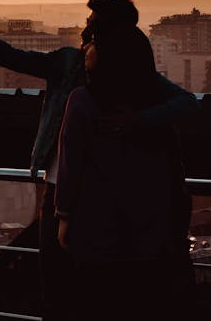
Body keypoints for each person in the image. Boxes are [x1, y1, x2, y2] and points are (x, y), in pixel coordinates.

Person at [0, 0, 198, 321]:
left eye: (93, 20)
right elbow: (186, 103)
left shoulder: (79, 69)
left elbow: (9, 57)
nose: (87, 26)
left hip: (69, 197)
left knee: (65, 285)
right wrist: (138, 120)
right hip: (93, 198)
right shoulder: (126, 73)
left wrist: (136, 121)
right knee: (87, 287)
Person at [55, 26, 193, 320]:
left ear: (109, 54)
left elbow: (70, 163)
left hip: (97, 231)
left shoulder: (82, 100)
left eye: (93, 43)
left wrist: (63, 215)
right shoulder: (152, 99)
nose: (86, 48)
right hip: (148, 232)